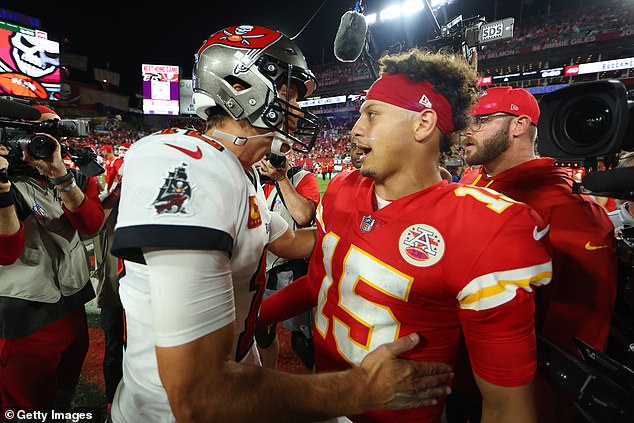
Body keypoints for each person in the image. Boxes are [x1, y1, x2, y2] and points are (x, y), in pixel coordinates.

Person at [109, 25, 453, 423]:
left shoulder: (242, 173)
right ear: (241, 86)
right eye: (289, 92)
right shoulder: (184, 161)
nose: (298, 108)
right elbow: (196, 394)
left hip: (234, 383)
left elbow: (291, 240)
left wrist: (385, 229)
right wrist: (360, 389)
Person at [259, 48, 553, 423]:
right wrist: (252, 316)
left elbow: (507, 406)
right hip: (324, 396)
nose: (355, 129)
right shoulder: (342, 189)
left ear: (423, 123)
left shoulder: (485, 227)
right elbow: (320, 282)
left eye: (372, 114)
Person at [457, 86, 618, 423]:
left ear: (518, 125)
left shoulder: (569, 212)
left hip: (502, 398)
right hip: (454, 377)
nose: (465, 130)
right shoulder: (473, 180)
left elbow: (573, 345)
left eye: (480, 120)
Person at [0, 104, 104, 413]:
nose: (47, 141)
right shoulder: (9, 181)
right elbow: (6, 253)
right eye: (36, 133)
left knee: (62, 393)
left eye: (54, 131)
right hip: (23, 314)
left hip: (72, 304)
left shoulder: (72, 174)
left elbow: (92, 224)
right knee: (26, 406)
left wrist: (62, 178)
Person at [254, 153, 320, 370]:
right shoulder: (253, 181)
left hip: (292, 270)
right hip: (262, 269)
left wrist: (281, 178)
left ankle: (316, 383)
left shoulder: (303, 178)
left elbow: (303, 216)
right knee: (261, 333)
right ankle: (268, 379)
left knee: (303, 340)